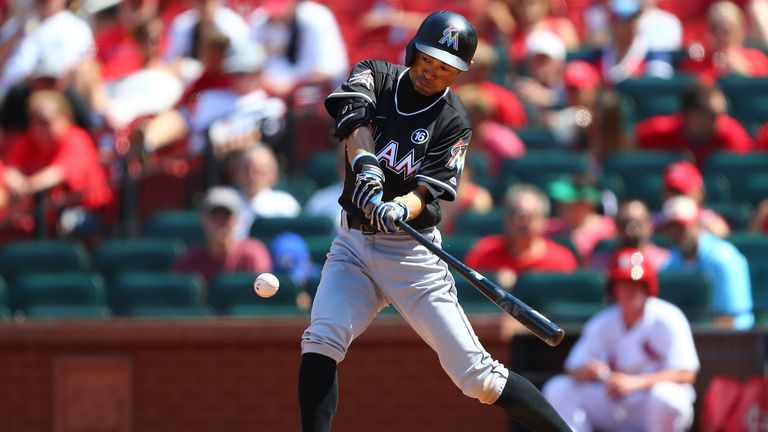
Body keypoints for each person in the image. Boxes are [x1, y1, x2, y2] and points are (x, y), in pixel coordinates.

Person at [298, 11, 571, 432]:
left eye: (446, 68)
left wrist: (399, 207)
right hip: (352, 243)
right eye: (428, 59)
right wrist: (367, 166)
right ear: (413, 51)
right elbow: (354, 123)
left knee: (477, 378)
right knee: (321, 339)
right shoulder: (376, 73)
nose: (433, 72)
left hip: (411, 253)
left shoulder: (453, 120)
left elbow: (429, 192)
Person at [543, 248, 700, 432]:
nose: (629, 290)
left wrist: (635, 382)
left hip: (649, 401)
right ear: (613, 289)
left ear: (647, 287)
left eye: (636, 283)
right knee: (558, 389)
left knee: (666, 396)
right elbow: (571, 367)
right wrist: (586, 371)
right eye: (623, 283)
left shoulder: (668, 317)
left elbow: (686, 374)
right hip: (613, 400)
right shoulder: (602, 322)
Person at [0, 90, 112, 236]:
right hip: (44, 215)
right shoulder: (28, 141)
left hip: (89, 214)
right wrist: (10, 176)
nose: (38, 128)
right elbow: (7, 169)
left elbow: (52, 177)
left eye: (45, 121)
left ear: (65, 119)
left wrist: (20, 187)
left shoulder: (76, 139)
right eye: (33, 121)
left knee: (66, 222)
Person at [659, 195, 754, 329]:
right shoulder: (670, 262)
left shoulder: (724, 259)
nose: (677, 233)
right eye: (671, 227)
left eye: (682, 226)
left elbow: (731, 321)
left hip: (733, 344)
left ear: (697, 225)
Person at [465, 184, 577, 288]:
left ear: (543, 220)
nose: (520, 221)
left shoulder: (561, 261)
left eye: (528, 216)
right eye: (514, 214)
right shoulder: (483, 253)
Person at [635, 84, 754, 166]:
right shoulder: (659, 131)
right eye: (713, 115)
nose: (720, 120)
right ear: (692, 114)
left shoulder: (732, 135)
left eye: (722, 113)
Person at [173, 186, 272, 284]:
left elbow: (262, 296)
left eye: (227, 215)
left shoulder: (252, 255)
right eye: (214, 215)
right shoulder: (189, 261)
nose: (221, 222)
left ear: (237, 220)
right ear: (203, 220)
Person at [248, 0, 349, 97]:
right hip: (272, 92)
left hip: (314, 93)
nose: (277, 17)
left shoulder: (316, 17)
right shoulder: (261, 18)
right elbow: (248, 61)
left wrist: (293, 84)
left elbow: (334, 69)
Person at [682, 0, 768, 85]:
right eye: (716, 29)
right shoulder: (697, 63)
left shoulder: (758, 59)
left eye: (728, 31)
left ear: (741, 31)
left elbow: (762, 91)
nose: (721, 36)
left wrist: (745, 73)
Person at [231, 145, 301, 239]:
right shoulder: (226, 202)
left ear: (273, 174)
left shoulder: (285, 204)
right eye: (246, 168)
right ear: (237, 172)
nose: (251, 175)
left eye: (258, 169)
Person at [547, 175, 617, 262]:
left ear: (588, 203)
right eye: (562, 202)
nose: (562, 205)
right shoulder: (550, 228)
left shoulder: (609, 230)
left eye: (570, 202)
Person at [588, 199, 669, 270]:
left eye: (637, 223)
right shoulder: (602, 264)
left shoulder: (665, 262)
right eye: (624, 223)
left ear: (649, 225)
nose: (631, 228)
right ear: (616, 226)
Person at [662, 160, 730, 237]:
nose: (676, 197)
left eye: (681, 192)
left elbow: (721, 231)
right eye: (671, 191)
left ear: (698, 193)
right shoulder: (657, 220)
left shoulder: (707, 218)